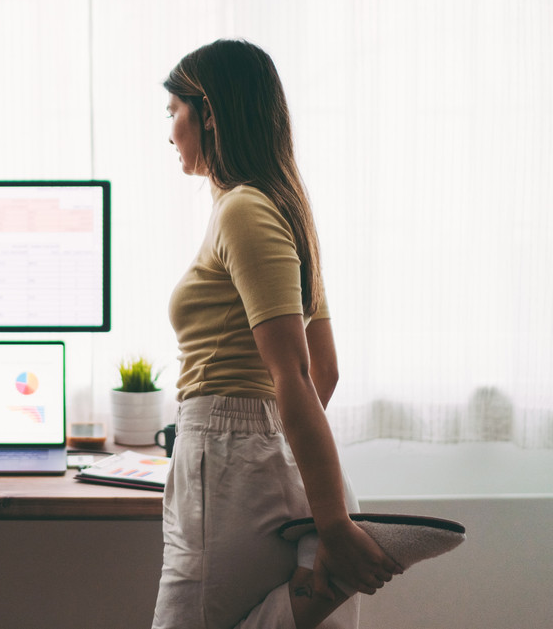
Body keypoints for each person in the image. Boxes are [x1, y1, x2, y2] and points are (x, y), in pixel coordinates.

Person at [152, 38, 403, 629]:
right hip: (252, 456)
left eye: (173, 112)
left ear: (207, 112)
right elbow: (326, 371)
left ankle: (333, 559)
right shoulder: (279, 206)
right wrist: (280, 452)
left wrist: (333, 520)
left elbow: (294, 374)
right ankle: (324, 577)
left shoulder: (244, 210)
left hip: (231, 460)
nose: (168, 132)